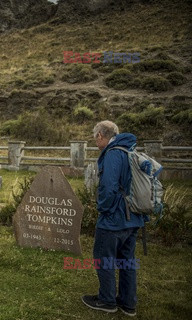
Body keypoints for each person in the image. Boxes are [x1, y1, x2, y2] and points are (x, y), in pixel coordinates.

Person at [82, 120, 147, 317]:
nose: (95, 142)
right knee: (127, 261)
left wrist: (102, 208)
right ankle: (128, 303)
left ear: (101, 135)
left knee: (104, 259)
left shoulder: (112, 153)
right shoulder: (130, 151)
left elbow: (109, 187)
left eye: (95, 138)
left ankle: (107, 300)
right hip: (134, 217)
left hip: (114, 219)